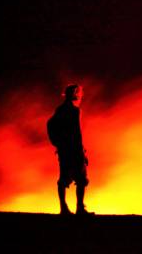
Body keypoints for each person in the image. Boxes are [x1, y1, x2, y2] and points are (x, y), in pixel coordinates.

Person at [47, 84, 92, 216]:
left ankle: (63, 208)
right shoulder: (74, 111)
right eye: (79, 93)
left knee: (64, 178)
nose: (81, 95)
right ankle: (79, 208)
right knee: (81, 179)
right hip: (73, 149)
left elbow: (50, 124)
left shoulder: (59, 110)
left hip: (64, 150)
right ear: (75, 94)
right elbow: (76, 133)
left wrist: (58, 144)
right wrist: (81, 152)